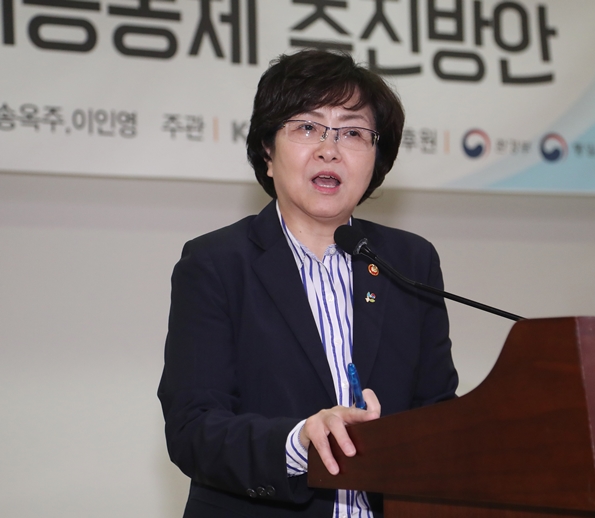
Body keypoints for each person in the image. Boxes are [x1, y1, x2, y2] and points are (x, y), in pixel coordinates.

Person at [158, 49, 458, 518]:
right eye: (306, 127)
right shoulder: (216, 263)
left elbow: (438, 413)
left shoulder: (409, 261)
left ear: (377, 159)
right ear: (267, 152)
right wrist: (300, 442)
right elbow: (193, 428)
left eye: (354, 132)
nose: (329, 148)